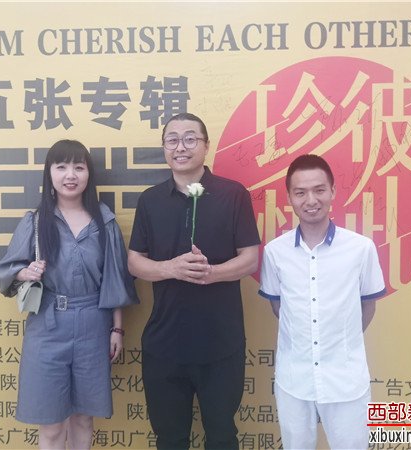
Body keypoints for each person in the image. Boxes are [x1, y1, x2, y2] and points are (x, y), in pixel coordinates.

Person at [128, 113, 260, 450]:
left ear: (205, 146)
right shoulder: (150, 200)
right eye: (172, 140)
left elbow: (250, 258)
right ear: (164, 148)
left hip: (221, 343)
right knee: (170, 439)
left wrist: (211, 273)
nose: (180, 147)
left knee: (222, 436)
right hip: (165, 344)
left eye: (190, 139)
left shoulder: (233, 194)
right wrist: (171, 268)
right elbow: (135, 262)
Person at [0, 139, 138, 450]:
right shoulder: (35, 221)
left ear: (88, 174)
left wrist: (117, 329)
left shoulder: (105, 222)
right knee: (51, 424)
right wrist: (25, 272)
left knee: (83, 419)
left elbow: (115, 280)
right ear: (49, 173)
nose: (70, 175)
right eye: (61, 167)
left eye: (78, 167)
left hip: (93, 326)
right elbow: (7, 269)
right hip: (47, 326)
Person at [258, 154, 386, 449]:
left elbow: (367, 306)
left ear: (333, 191)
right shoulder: (275, 252)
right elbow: (278, 306)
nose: (311, 200)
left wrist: (340, 340)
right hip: (294, 378)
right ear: (289, 197)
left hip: (345, 378)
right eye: (300, 192)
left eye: (319, 190)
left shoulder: (360, 248)